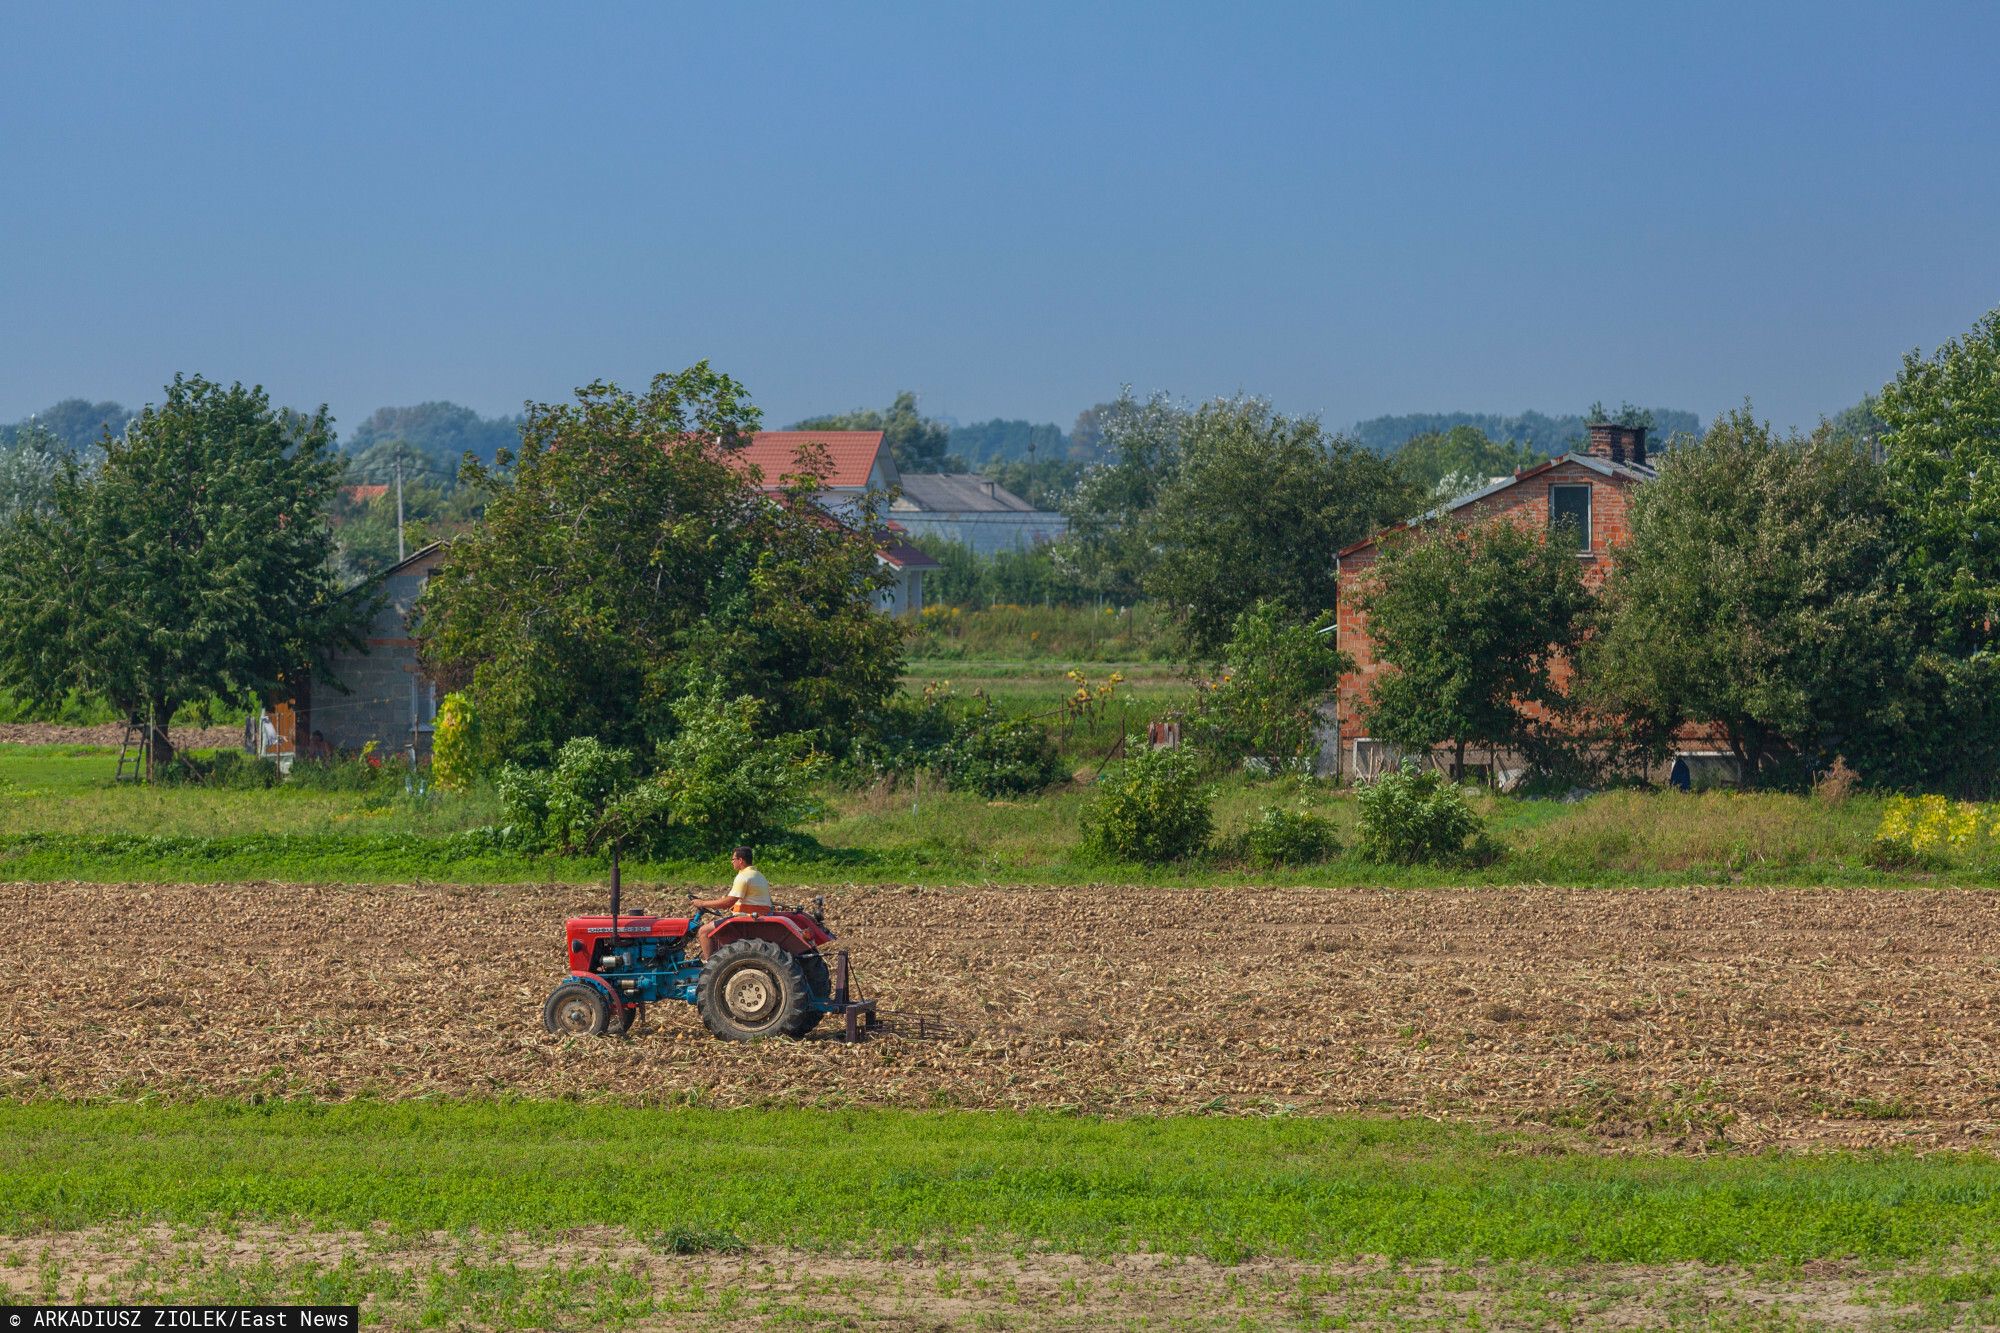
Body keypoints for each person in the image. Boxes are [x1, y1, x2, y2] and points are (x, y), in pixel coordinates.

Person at [689, 846, 774, 956]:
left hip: (745, 919)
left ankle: (711, 968)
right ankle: (716, 961)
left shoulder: (743, 876)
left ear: (740, 860)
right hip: (757, 916)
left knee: (703, 931)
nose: (732, 862)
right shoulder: (759, 875)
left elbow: (728, 903)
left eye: (733, 859)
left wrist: (702, 903)